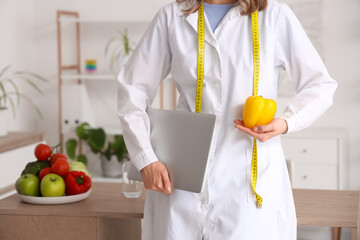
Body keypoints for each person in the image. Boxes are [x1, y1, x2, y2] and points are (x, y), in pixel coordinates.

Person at [117, 0, 337, 239]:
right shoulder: (172, 17)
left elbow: (320, 85)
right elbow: (132, 89)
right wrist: (145, 159)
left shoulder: (274, 16)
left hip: (248, 186)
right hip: (182, 181)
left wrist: (285, 122)